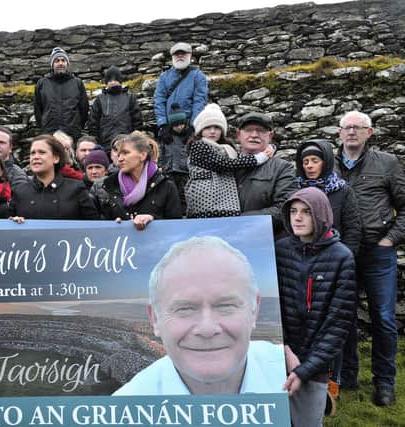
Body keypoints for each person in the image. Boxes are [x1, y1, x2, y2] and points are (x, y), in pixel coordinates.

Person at [114, 236, 284, 396]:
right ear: (155, 319)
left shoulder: (296, 374)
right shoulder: (120, 413)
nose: (207, 329)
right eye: (185, 309)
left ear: (255, 309)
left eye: (226, 306)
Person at [334, 111, 405, 406]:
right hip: (342, 253)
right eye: (347, 127)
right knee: (344, 319)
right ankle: (347, 376)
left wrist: (390, 239)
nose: (352, 132)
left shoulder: (387, 163)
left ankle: (384, 382)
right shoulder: (328, 162)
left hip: (378, 251)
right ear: (339, 134)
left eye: (358, 128)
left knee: (384, 319)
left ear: (369, 132)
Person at [275, 187, 356, 426]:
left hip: (316, 360)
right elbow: (273, 307)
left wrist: (304, 369)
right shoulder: (281, 250)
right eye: (293, 211)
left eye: (306, 212)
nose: (297, 218)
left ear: (320, 215)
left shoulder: (342, 257)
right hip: (279, 356)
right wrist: (285, 350)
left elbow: (338, 325)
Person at [185, 104, 273, 218]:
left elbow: (239, 160)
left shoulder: (225, 148)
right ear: (200, 130)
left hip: (223, 202)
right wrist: (258, 158)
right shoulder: (199, 146)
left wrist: (268, 148)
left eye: (217, 127)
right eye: (207, 127)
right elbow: (223, 164)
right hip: (205, 203)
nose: (212, 131)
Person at [92, 131, 181, 230]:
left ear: (142, 155)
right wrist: (114, 225)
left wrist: (152, 219)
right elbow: (101, 226)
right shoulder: (110, 185)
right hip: (123, 243)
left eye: (125, 153)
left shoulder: (166, 186)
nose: (120, 159)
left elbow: (175, 228)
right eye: (119, 154)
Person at [234, 112, 295, 236]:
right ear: (238, 135)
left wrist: (240, 220)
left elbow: (285, 208)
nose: (254, 135)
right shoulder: (224, 165)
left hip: (267, 243)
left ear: (270, 136)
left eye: (261, 131)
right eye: (248, 130)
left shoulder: (283, 168)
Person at [11, 135, 98, 220]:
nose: (36, 157)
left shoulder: (76, 189)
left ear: (56, 158)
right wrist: (13, 222)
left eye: (42, 152)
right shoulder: (20, 191)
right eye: (32, 153)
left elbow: (93, 226)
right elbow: (7, 224)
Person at [154, 42, 208, 144]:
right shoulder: (164, 77)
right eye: (176, 54)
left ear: (190, 55)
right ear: (172, 57)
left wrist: (193, 126)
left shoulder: (198, 76)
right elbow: (159, 100)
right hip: (169, 129)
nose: (180, 56)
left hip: (188, 127)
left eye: (183, 53)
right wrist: (163, 125)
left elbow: (200, 101)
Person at [34, 47, 88, 140]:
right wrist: (45, 127)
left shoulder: (77, 83)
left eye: (63, 60)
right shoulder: (42, 84)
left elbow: (84, 109)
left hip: (72, 135)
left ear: (67, 63)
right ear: (52, 64)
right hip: (50, 134)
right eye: (57, 61)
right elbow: (38, 110)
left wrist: (76, 127)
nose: (60, 63)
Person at [88, 65, 143, 153]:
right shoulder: (100, 100)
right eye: (110, 80)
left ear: (120, 81)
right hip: (105, 146)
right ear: (106, 82)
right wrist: (98, 144)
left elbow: (137, 122)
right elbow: (93, 124)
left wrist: (133, 141)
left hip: (127, 144)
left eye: (116, 79)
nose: (113, 82)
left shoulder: (130, 98)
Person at [158, 103, 192, 212]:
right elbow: (161, 152)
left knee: (184, 195)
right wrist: (160, 166)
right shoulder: (165, 137)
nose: (180, 127)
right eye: (177, 125)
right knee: (171, 194)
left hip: (184, 170)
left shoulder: (189, 136)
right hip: (169, 169)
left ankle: (184, 214)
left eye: (182, 124)